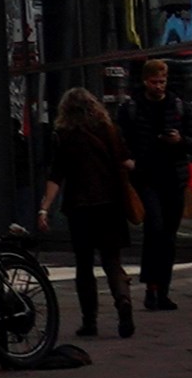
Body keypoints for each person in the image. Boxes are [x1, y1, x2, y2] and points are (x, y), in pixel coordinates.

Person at [43, 86, 137, 342]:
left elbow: (56, 175)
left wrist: (44, 208)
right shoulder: (109, 130)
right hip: (110, 204)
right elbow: (128, 162)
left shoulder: (63, 135)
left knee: (84, 265)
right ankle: (123, 300)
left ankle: (89, 321)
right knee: (112, 261)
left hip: (80, 207)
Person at [117, 58, 192, 310]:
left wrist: (180, 141)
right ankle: (152, 287)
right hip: (145, 177)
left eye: (162, 81)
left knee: (169, 236)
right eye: (155, 82)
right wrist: (127, 159)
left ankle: (162, 289)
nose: (159, 86)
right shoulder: (131, 108)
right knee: (155, 227)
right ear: (145, 81)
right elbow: (119, 139)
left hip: (173, 178)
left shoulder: (178, 106)